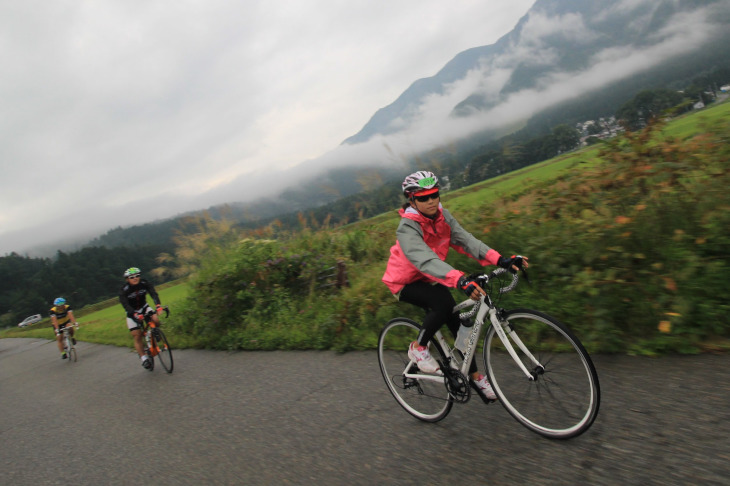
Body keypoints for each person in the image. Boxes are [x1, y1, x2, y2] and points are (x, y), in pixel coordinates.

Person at [382, 170, 529, 401]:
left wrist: (500, 259)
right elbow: (424, 259)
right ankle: (418, 348)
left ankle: (475, 376)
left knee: (460, 325)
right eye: (423, 198)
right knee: (441, 304)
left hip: (432, 276)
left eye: (434, 195)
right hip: (404, 281)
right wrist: (460, 279)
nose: (431, 201)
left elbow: (466, 241)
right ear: (412, 200)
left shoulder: (443, 216)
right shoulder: (407, 227)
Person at [118, 267, 164, 369]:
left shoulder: (144, 283)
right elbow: (125, 304)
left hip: (144, 307)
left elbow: (153, 293)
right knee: (137, 335)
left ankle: (155, 332)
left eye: (137, 276)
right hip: (132, 312)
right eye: (132, 277)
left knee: (155, 319)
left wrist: (158, 306)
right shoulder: (124, 290)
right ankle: (144, 358)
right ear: (127, 279)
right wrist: (134, 314)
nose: (135, 278)